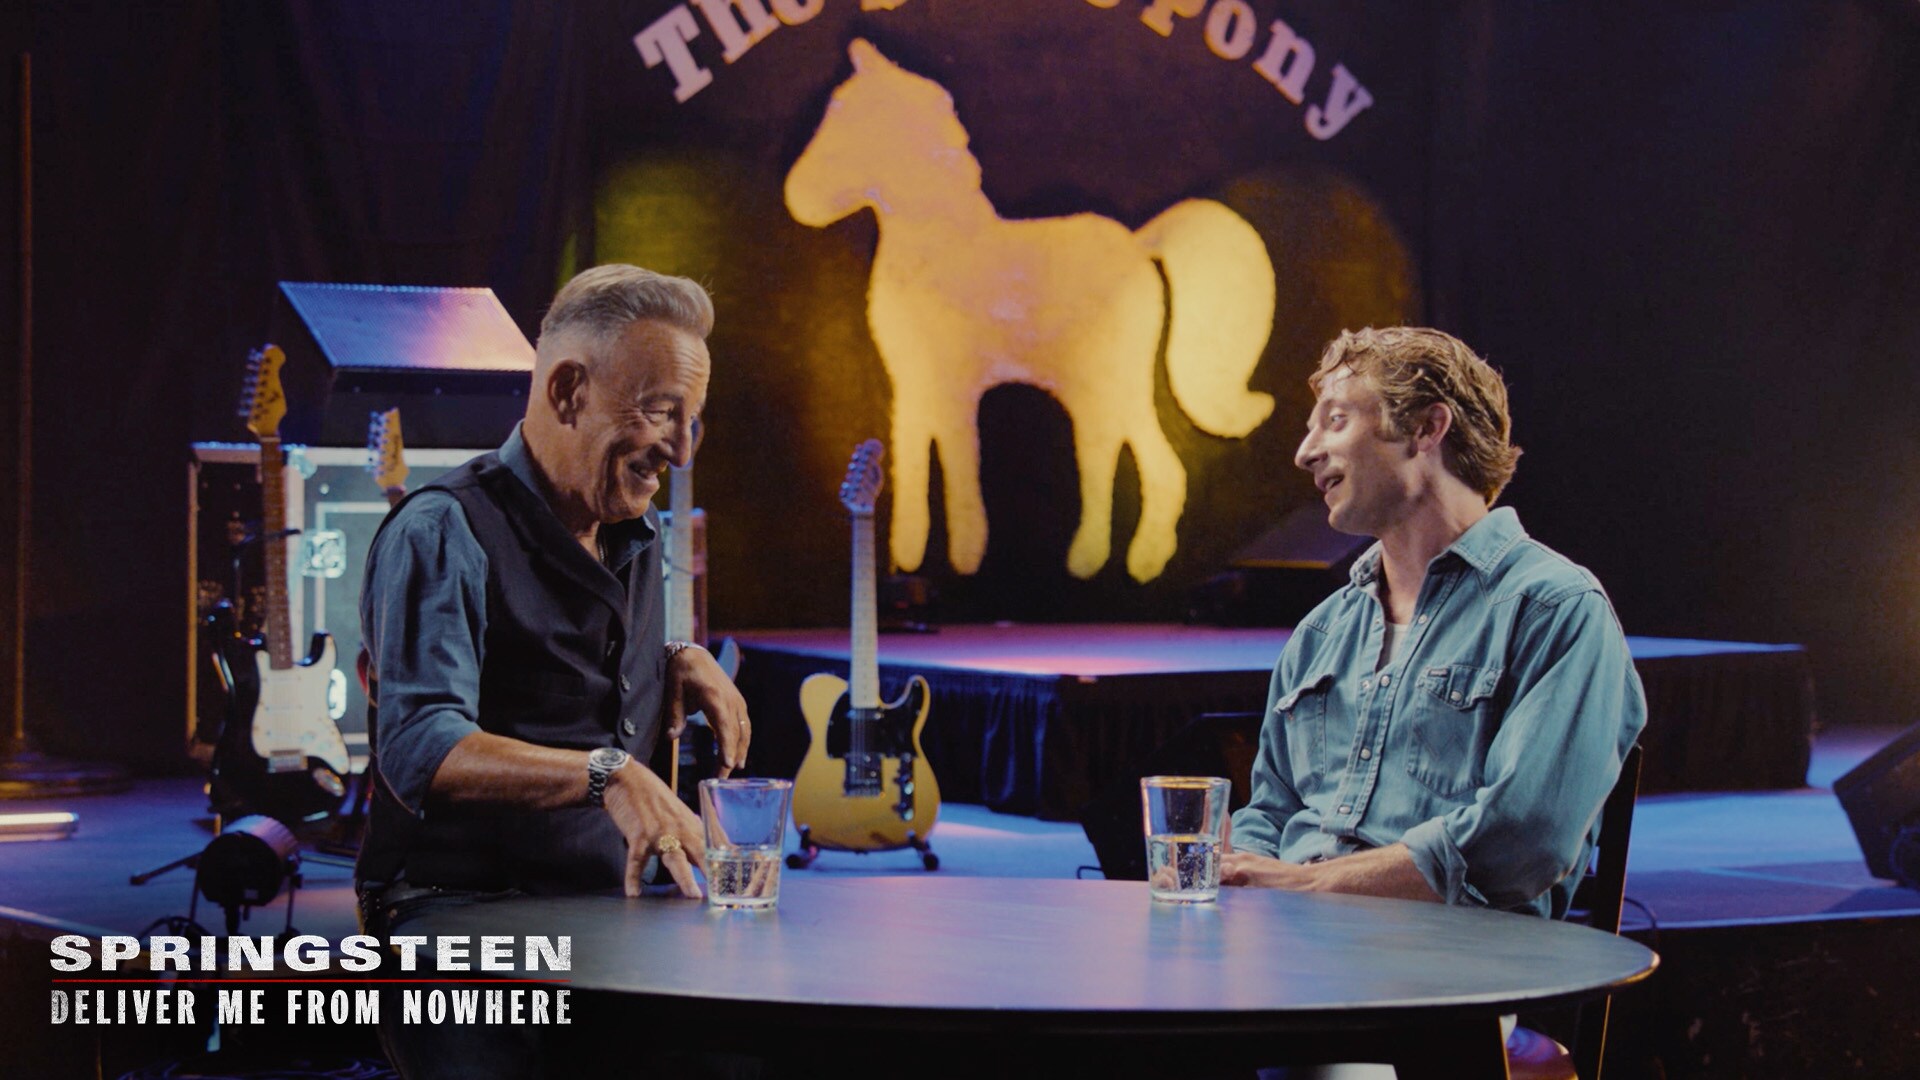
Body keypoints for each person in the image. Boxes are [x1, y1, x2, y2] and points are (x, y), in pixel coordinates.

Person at [353, 264, 751, 1077]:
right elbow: (422, 746)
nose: (677, 449)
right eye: (660, 412)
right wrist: (611, 775)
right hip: (459, 914)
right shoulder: (443, 529)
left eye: (692, 422)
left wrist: (675, 658)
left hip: (605, 908)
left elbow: (563, 666)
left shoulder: (630, 533)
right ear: (569, 390)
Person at [1224, 327, 1645, 919]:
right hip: (1296, 949)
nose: (1305, 451)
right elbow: (1267, 815)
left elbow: (1522, 839)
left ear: (1426, 428)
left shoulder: (1552, 608)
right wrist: (1233, 876)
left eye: (1336, 420)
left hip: (1448, 973)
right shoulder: (1321, 633)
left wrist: (1304, 886)